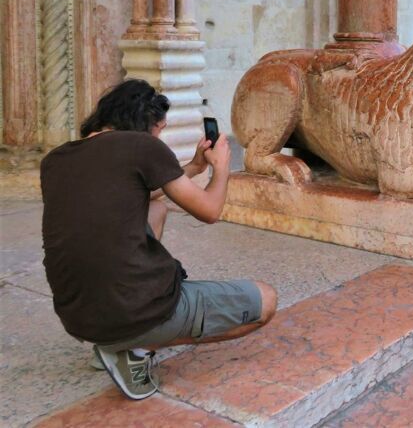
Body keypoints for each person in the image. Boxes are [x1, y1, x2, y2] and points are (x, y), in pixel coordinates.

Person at [40, 80, 278, 400]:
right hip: (130, 312)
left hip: (78, 315)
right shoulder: (143, 146)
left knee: (156, 208)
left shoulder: (56, 159)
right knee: (266, 301)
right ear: (146, 123)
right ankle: (133, 346)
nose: (159, 136)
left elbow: (132, 192)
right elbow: (210, 211)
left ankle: (114, 339)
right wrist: (222, 167)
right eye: (159, 129)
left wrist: (193, 168)